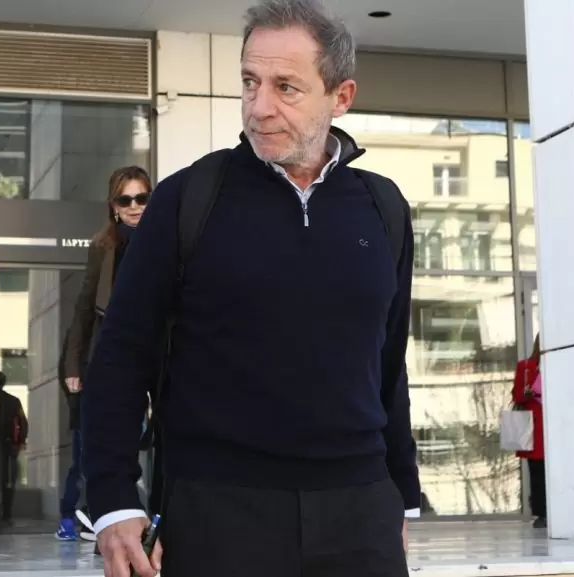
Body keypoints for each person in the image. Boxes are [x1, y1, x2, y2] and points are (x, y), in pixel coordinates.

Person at [82, 1, 419, 575]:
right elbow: (120, 354)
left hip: (360, 516)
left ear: (340, 97)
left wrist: (403, 497)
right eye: (249, 82)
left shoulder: (382, 208)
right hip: (216, 513)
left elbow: (387, 365)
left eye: (286, 87)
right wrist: (114, 499)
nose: (259, 107)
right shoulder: (187, 199)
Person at [57, 166, 153, 541]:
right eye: (125, 200)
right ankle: (111, 521)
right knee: (113, 440)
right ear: (113, 206)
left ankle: (158, 518)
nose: (134, 206)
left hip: (159, 351)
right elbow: (83, 309)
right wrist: (72, 365)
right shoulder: (104, 247)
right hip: (116, 353)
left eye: (141, 198)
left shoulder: (166, 239)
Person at [511, 333, 545, 528]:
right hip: (534, 428)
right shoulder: (526, 366)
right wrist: (528, 393)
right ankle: (541, 513)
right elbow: (517, 396)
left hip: (556, 426)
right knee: (537, 471)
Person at [0, 370, 28, 524]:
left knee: (3, 480)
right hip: (6, 446)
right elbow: (23, 423)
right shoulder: (12, 401)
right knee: (6, 481)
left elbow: (22, 423)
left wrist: (19, 442)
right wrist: (20, 442)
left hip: (2, 446)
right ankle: (5, 514)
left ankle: (2, 513)